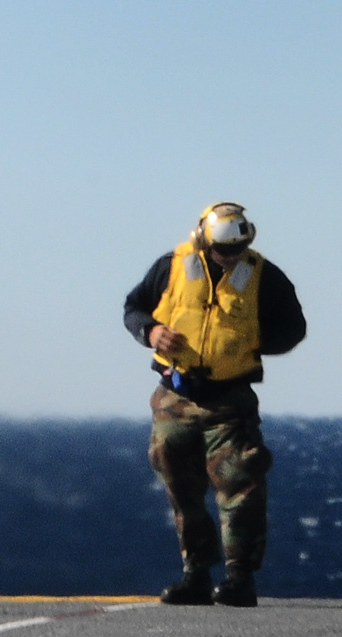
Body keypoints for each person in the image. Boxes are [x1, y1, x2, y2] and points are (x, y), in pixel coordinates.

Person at [123, 203, 306, 608]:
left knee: (240, 483)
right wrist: (151, 333)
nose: (230, 257)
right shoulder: (170, 267)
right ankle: (196, 574)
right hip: (175, 398)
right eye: (223, 250)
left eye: (238, 249)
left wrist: (250, 342)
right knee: (180, 487)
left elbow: (293, 329)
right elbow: (133, 308)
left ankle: (240, 578)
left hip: (229, 401)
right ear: (204, 241)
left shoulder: (263, 276)